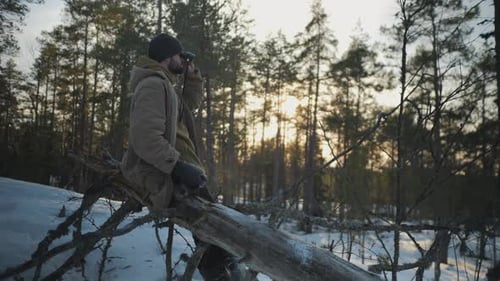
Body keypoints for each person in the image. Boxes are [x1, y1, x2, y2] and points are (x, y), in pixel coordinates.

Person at [121, 33, 241, 281]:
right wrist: (177, 167)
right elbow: (145, 138)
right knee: (211, 226)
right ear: (168, 56)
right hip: (163, 173)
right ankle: (220, 274)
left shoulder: (163, 85)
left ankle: (224, 269)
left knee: (214, 229)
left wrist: (193, 79)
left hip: (177, 169)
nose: (183, 61)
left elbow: (185, 110)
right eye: (180, 56)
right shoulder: (153, 85)